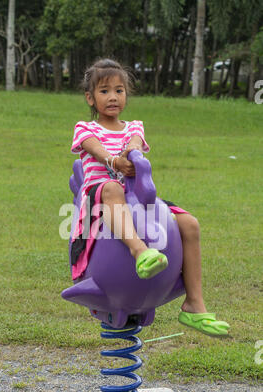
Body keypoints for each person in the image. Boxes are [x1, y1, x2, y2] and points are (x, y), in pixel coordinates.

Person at [70, 58, 230, 337]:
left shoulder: (134, 127)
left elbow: (134, 144)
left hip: (134, 198)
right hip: (98, 195)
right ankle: (139, 251)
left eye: (119, 91)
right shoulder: (85, 128)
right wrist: (113, 161)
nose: (113, 97)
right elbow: (94, 149)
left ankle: (194, 304)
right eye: (104, 91)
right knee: (112, 188)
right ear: (90, 98)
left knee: (190, 223)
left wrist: (130, 155)